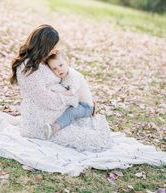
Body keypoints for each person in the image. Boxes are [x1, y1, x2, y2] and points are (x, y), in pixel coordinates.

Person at [11, 24, 111, 152]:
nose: (53, 50)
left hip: (58, 112)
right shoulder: (27, 67)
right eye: (52, 46)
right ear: (44, 46)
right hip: (42, 118)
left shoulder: (42, 60)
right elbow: (44, 99)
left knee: (94, 130)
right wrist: (74, 100)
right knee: (93, 140)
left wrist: (84, 99)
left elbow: (65, 78)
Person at [43, 51, 95, 139]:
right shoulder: (62, 75)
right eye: (54, 69)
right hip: (77, 102)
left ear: (67, 62)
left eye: (61, 65)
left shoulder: (74, 76)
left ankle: (54, 128)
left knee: (71, 112)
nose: (59, 70)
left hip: (86, 106)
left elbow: (71, 92)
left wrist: (56, 94)